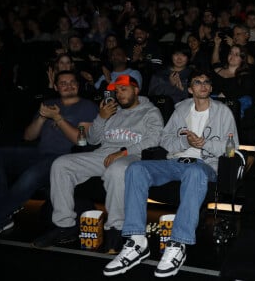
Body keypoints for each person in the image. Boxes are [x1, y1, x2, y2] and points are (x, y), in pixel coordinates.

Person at [103, 69, 238, 277]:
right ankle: (136, 241)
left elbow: (232, 148)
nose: (203, 85)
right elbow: (164, 140)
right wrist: (185, 141)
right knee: (135, 169)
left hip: (205, 165)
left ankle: (178, 243)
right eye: (197, 81)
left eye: (206, 82)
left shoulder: (223, 112)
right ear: (190, 88)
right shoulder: (181, 109)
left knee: (194, 172)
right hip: (175, 161)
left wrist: (204, 144)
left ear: (210, 88)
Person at [32, 75, 163, 252]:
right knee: (61, 164)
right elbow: (92, 139)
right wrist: (101, 118)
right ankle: (65, 225)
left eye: (123, 89)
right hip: (102, 155)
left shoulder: (150, 112)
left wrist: (123, 152)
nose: (119, 94)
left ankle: (116, 228)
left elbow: (154, 140)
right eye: (117, 91)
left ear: (136, 90)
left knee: (117, 169)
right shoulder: (111, 110)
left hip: (133, 156)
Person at [0, 70, 98, 238]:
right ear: (56, 87)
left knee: (31, 175)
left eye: (72, 82)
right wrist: (42, 118)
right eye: (63, 83)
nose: (68, 85)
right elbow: (29, 136)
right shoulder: (49, 103)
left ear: (78, 86)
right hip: (39, 152)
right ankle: (1, 215)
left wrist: (58, 118)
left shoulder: (87, 106)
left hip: (65, 158)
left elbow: (80, 140)